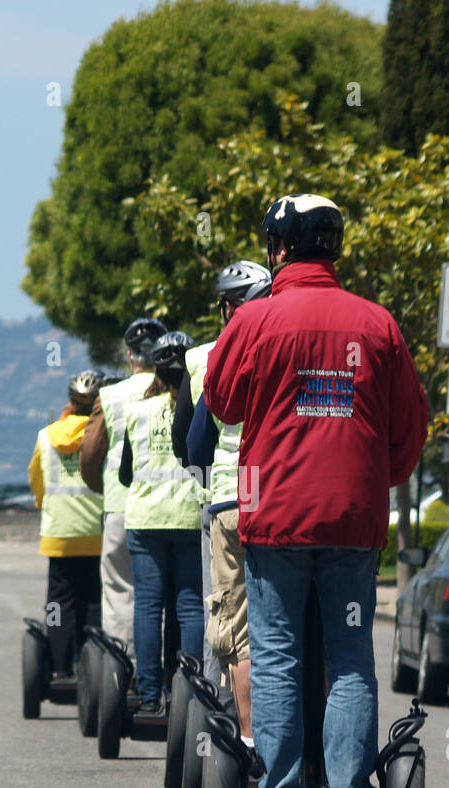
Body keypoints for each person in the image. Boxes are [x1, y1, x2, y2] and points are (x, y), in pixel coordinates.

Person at [203, 193, 428, 788]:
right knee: (351, 656)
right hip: (353, 523)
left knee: (276, 653)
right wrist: (374, 481)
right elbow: (410, 425)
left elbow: (220, 402)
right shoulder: (378, 323)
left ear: (279, 250)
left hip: (275, 516)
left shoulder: (254, 320)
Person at [180, 261, 273, 759]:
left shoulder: (218, 355)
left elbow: (195, 443)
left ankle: (251, 745)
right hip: (285, 503)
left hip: (231, 501)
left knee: (238, 632)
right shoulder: (292, 343)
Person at [117, 331, 205, 711]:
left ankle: (150, 696)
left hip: (147, 521)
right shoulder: (200, 406)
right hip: (188, 519)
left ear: (155, 367)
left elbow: (124, 474)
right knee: (190, 609)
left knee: (149, 608)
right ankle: (190, 694)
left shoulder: (136, 412)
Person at [79, 318, 167, 652]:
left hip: (119, 505)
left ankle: (122, 665)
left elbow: (90, 454)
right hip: (168, 508)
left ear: (129, 357)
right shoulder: (176, 387)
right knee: (162, 593)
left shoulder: (110, 395)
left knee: (119, 590)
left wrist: (100, 486)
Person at [28, 372, 105, 679]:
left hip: (59, 534)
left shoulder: (47, 436)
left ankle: (60, 668)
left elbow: (37, 480)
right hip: (97, 533)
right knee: (93, 601)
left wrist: (42, 503)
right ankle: (93, 666)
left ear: (70, 403)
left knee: (59, 603)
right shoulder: (103, 433)